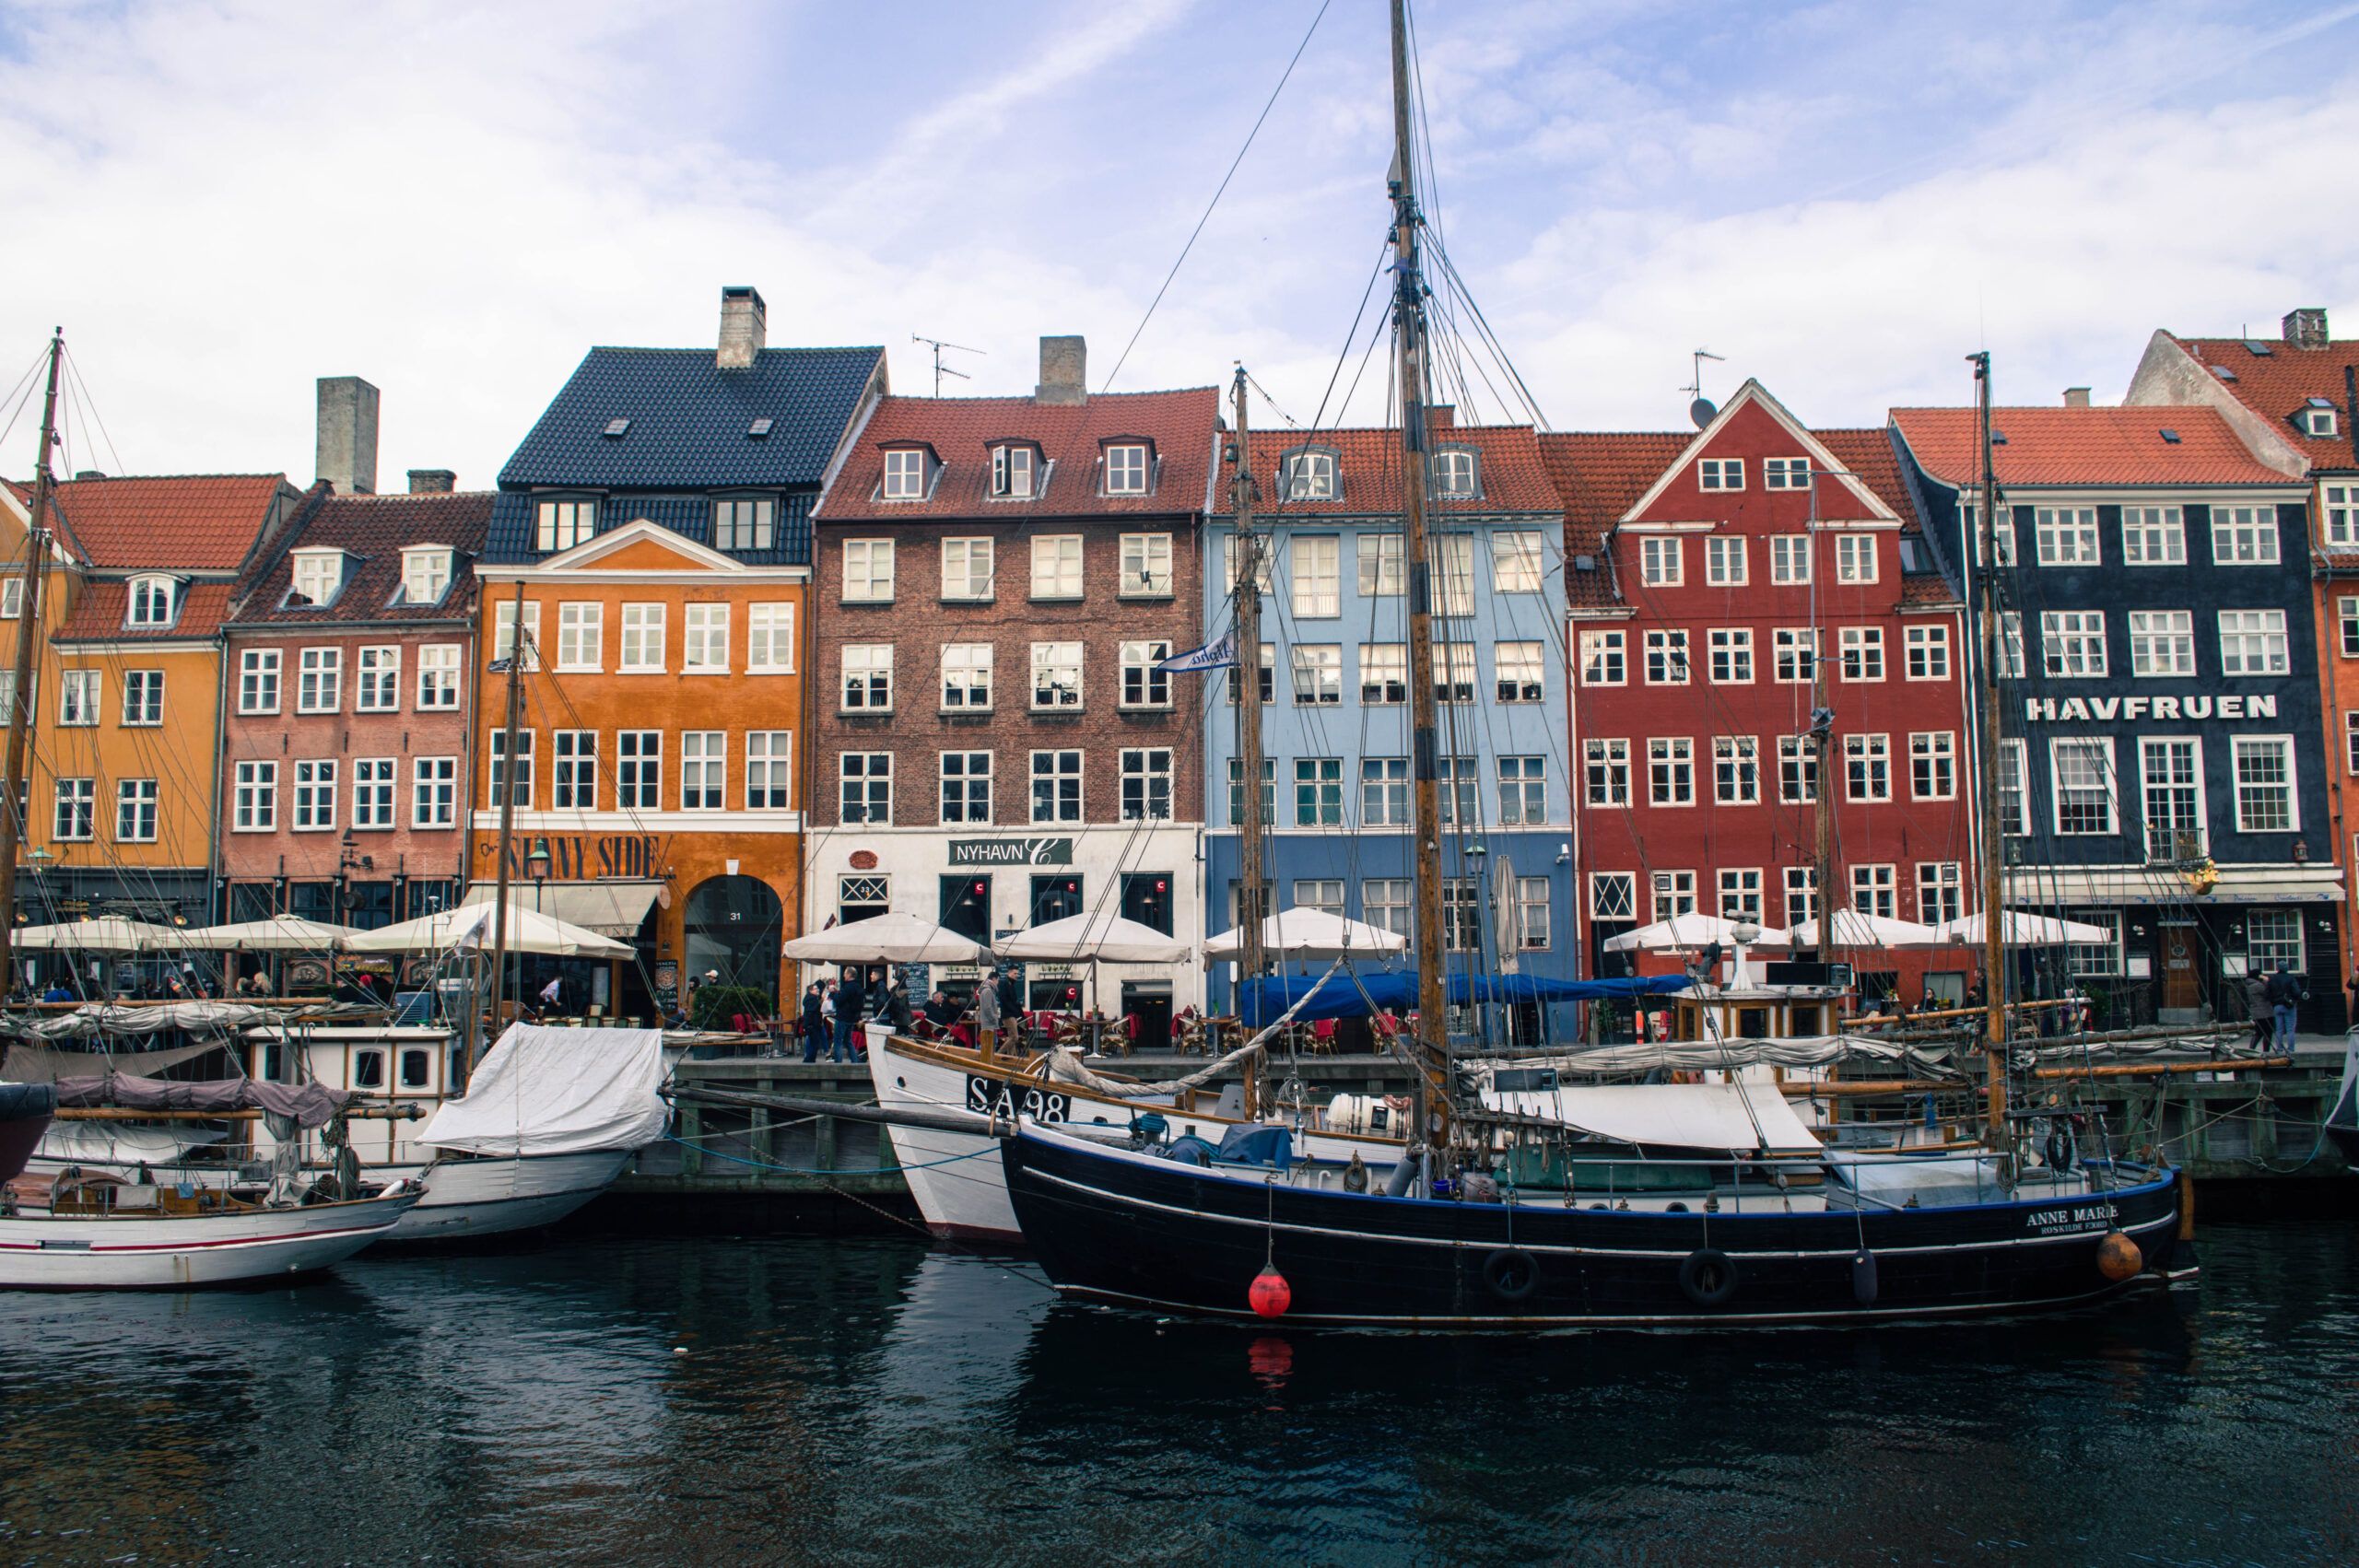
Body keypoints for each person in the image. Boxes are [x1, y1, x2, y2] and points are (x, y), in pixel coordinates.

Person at [2266, 962, 2306, 1052]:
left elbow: (2267, 994)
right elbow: (2296, 992)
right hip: (2289, 1005)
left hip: (2277, 1006)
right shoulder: (2291, 978)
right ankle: (2290, 1049)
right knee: (2290, 1029)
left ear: (2278, 968)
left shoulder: (2272, 979)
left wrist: (2273, 1001)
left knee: (2279, 1029)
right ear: (2287, 968)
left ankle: (2279, 1048)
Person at [833, 965, 867, 1063]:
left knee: (838, 1041)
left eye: (845, 974)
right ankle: (855, 1061)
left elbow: (839, 1000)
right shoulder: (859, 987)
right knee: (848, 1041)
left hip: (843, 1017)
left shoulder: (848, 987)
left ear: (849, 974)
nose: (844, 975)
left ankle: (838, 1063)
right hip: (852, 1018)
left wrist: (833, 994)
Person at [2242, 970, 2272, 1051]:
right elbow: (2268, 994)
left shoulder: (2250, 985)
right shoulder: (2258, 985)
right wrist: (2267, 982)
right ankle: (2266, 1051)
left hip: (2256, 1012)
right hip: (2265, 1012)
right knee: (2268, 1033)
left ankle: (2251, 1049)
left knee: (2258, 1032)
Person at [800, 981, 827, 1063]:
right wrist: (821, 1000)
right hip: (812, 1024)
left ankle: (810, 1059)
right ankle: (809, 1059)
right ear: (811, 991)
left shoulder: (813, 998)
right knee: (814, 1042)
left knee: (814, 1042)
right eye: (815, 989)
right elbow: (813, 1009)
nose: (817, 990)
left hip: (814, 1024)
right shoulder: (811, 998)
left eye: (817, 988)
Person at [975, 970, 1001, 1054]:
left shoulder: (987, 990)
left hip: (988, 1023)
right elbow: (987, 1008)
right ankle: (977, 1057)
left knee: (989, 1045)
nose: (998, 982)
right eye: (998, 980)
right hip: (989, 1024)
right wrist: (994, 1018)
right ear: (994, 979)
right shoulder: (988, 991)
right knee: (989, 1046)